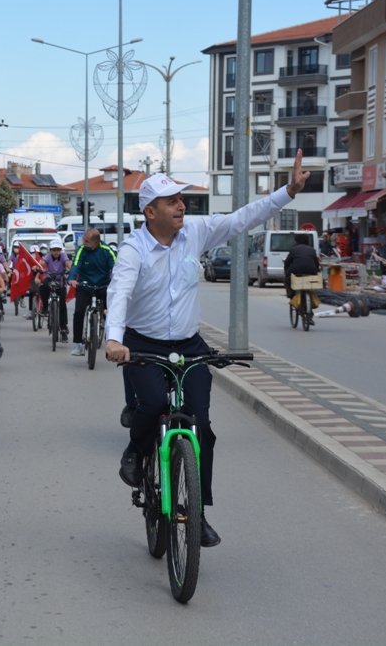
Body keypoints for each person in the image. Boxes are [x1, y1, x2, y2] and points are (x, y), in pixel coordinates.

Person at [105, 152, 310, 547]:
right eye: (171, 201)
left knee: (202, 428)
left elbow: (242, 219)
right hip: (143, 342)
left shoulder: (195, 232)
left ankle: (197, 514)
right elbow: (120, 293)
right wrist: (115, 339)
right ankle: (135, 450)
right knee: (151, 404)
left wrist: (289, 191)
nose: (181, 206)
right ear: (150, 211)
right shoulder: (134, 249)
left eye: (181, 199)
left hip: (188, 343)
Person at [68, 228, 117, 356]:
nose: (84, 243)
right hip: (85, 285)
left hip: (102, 286)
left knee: (109, 312)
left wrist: (118, 282)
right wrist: (72, 278)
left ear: (96, 242)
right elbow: (76, 264)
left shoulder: (107, 250)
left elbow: (116, 267)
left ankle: (110, 339)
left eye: (87, 241)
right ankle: (78, 344)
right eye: (84, 240)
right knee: (79, 312)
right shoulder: (82, 250)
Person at [36, 238, 71, 343]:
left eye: (58, 250)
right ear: (50, 250)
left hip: (61, 279)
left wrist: (70, 269)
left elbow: (67, 263)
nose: (56, 252)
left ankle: (63, 330)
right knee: (43, 287)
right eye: (54, 250)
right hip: (50, 277)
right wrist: (38, 268)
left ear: (61, 250)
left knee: (62, 304)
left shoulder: (63, 256)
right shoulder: (48, 256)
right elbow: (42, 263)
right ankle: (45, 307)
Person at [283, 233, 320, 301]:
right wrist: (317, 271)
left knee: (286, 280)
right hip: (311, 272)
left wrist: (286, 270)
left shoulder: (293, 249)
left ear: (296, 241)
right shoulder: (312, 250)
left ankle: (291, 295)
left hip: (295, 272)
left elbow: (287, 262)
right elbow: (316, 263)